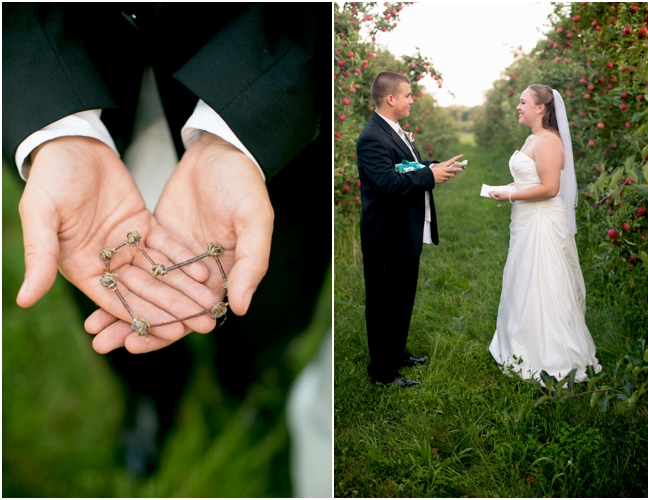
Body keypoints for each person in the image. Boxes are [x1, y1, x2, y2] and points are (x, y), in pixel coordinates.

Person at [3, 3, 330, 477]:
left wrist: (239, 124)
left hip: (267, 124)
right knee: (113, 297)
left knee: (264, 291)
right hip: (88, 83)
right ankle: (151, 397)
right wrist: (57, 128)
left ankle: (247, 381)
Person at [356, 71, 465, 388]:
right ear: (391, 99)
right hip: (385, 234)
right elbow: (388, 184)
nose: (411, 99)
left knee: (402, 298)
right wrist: (431, 177)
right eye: (407, 94)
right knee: (383, 305)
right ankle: (382, 373)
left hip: (404, 230)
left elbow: (408, 166)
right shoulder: (371, 138)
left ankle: (396, 353)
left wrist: (435, 166)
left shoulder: (393, 130)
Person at [487, 84, 601, 383]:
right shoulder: (533, 138)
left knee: (543, 281)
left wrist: (510, 197)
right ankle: (521, 343)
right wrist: (506, 189)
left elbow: (550, 189)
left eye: (523, 102)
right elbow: (531, 180)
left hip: (542, 221)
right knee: (524, 279)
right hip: (526, 220)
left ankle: (552, 356)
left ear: (540, 108)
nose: (518, 107)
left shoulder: (549, 141)